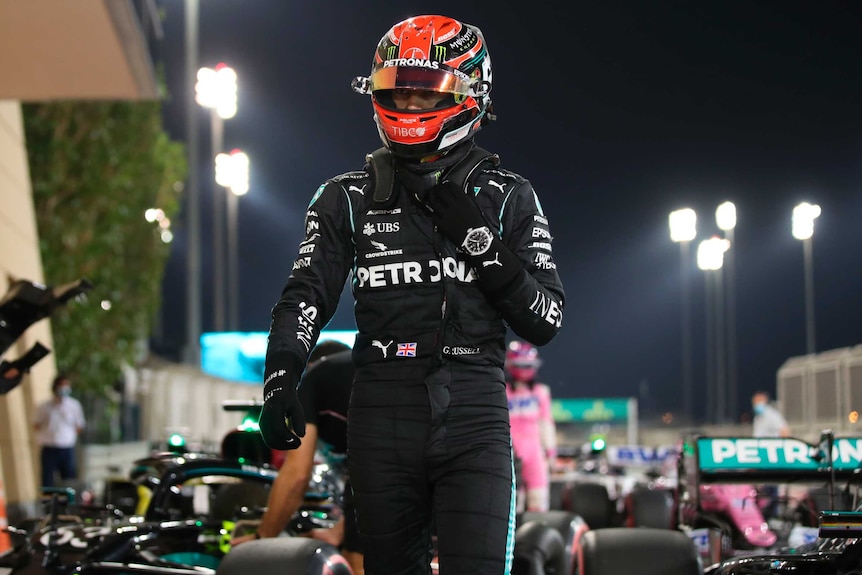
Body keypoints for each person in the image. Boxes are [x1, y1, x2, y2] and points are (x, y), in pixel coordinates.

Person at [258, 14, 565, 574]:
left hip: (475, 415)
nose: (410, 106)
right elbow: (305, 294)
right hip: (381, 414)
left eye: (426, 94)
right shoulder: (344, 197)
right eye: (398, 89)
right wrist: (282, 377)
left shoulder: (509, 197)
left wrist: (480, 242)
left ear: (472, 93)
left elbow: (544, 319)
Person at [232, 340, 363, 575]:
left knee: (357, 563)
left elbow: (297, 476)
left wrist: (262, 540)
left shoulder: (313, 378)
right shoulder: (367, 363)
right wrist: (339, 531)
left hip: (387, 460)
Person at [505, 340, 558, 513]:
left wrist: (551, 452)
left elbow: (546, 423)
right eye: (520, 365)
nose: (524, 369)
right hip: (510, 450)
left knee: (539, 497)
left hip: (535, 451)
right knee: (512, 501)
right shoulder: (502, 391)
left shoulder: (541, 392)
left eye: (528, 365)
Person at [33, 373, 86, 489]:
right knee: (47, 480)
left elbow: (79, 425)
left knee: (68, 480)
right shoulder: (45, 406)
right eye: (61, 385)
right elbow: (36, 424)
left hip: (66, 448)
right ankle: (47, 506)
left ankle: (68, 505)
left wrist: (68, 435)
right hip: (49, 448)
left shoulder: (74, 405)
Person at [751, 390, 790, 519]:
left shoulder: (772, 415)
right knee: (763, 489)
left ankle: (774, 516)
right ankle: (764, 515)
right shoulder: (758, 418)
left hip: (772, 459)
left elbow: (784, 430)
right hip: (762, 460)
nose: (756, 404)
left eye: (758, 401)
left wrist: (780, 449)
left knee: (773, 488)